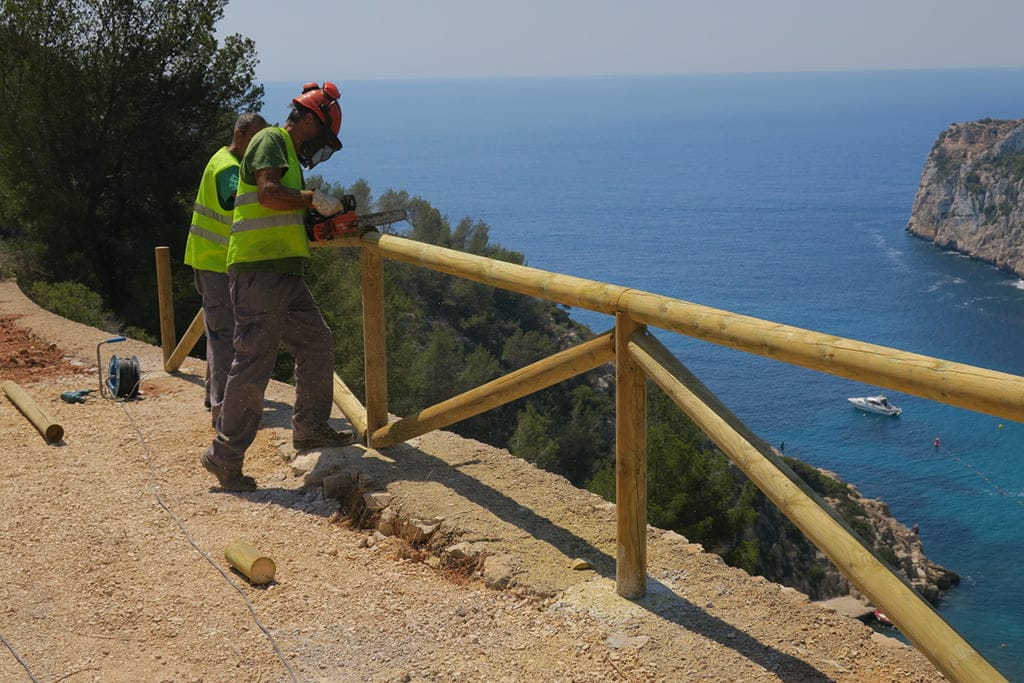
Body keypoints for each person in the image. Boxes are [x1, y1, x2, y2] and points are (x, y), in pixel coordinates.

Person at [200, 81, 355, 491]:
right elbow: (268, 194)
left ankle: (310, 428)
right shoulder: (271, 138)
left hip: (284, 271)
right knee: (253, 363)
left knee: (317, 343)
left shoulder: (288, 155)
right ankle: (224, 456)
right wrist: (310, 200)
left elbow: (281, 211)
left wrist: (316, 223)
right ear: (306, 119)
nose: (318, 145)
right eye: (320, 135)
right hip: (258, 271)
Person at [184, 112, 268, 427]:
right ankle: (224, 412)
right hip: (215, 262)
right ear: (239, 134)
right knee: (223, 337)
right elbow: (240, 200)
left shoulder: (222, 159)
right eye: (256, 140)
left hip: (211, 260)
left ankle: (213, 396)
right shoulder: (228, 169)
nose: (260, 149)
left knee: (218, 331)